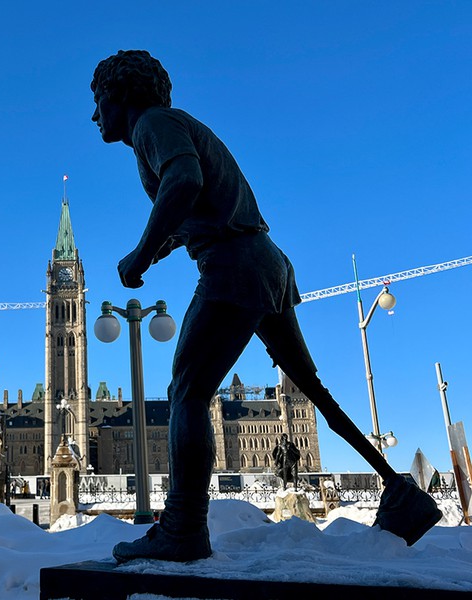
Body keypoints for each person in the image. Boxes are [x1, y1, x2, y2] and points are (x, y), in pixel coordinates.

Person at [90, 50, 442, 563]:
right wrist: (163, 247)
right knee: (310, 387)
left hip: (234, 265)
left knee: (187, 391)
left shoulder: (153, 124)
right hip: (268, 261)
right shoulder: (179, 124)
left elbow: (184, 183)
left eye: (97, 99)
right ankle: (401, 491)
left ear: (121, 94)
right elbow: (196, 204)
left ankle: (183, 526)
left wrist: (140, 253)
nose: (94, 114)